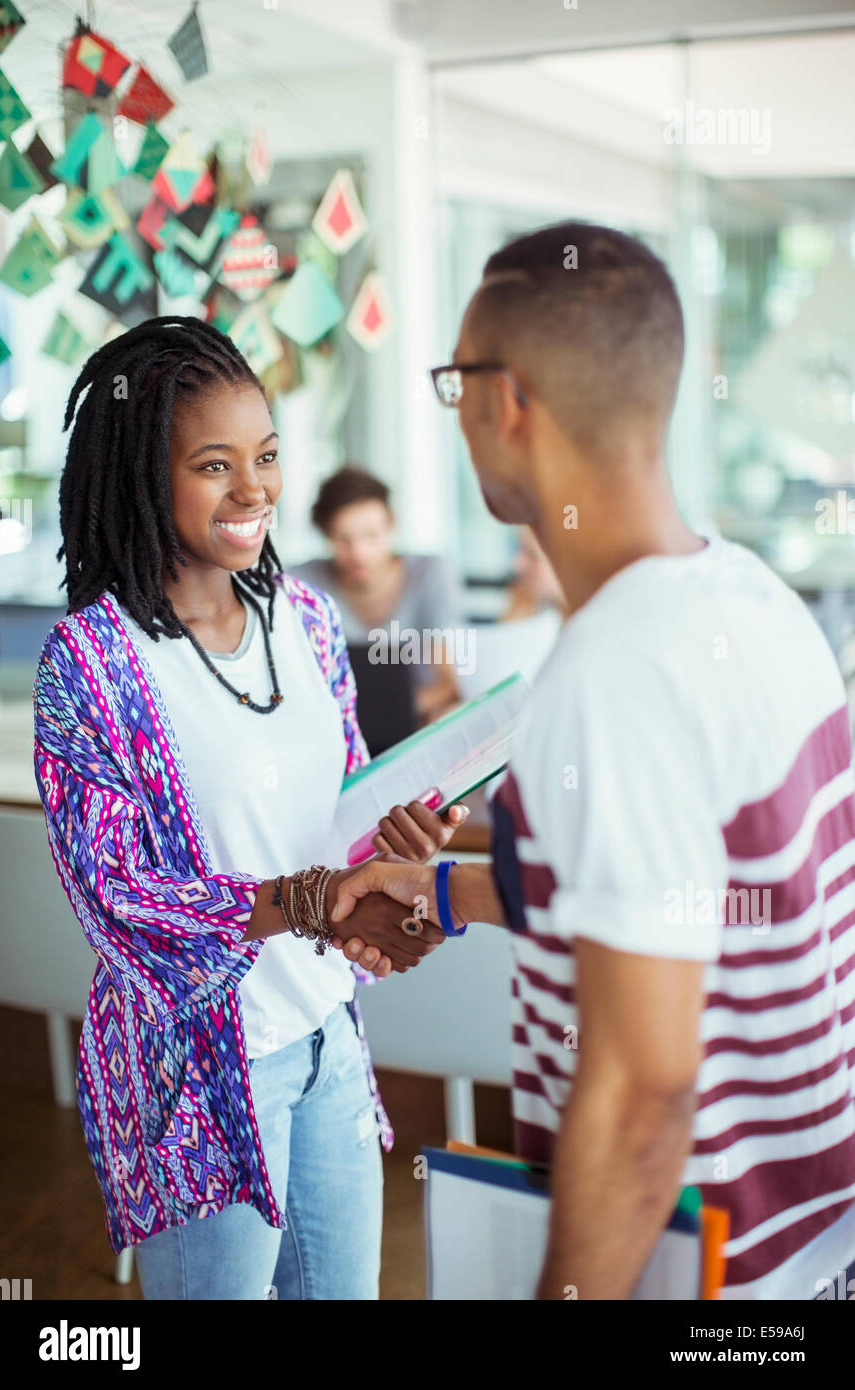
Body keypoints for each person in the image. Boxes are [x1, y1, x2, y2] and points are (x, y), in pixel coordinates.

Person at [328, 222, 855, 1301]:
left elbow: (642, 1091)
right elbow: (683, 896)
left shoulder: (608, 674)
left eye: (454, 382)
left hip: (703, 1262)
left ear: (504, 400)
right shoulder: (751, 598)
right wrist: (447, 891)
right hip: (809, 1235)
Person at [32, 317, 461, 1301]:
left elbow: (344, 797)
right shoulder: (92, 663)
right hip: (198, 1079)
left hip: (326, 1039)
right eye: (215, 465)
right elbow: (116, 896)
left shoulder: (305, 617)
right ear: (145, 474)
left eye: (265, 456)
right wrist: (309, 898)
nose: (255, 489)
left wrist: (391, 842)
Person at [294, 466, 463, 727]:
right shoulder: (302, 584)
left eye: (371, 535)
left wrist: (374, 713)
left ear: (391, 525)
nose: (359, 553)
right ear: (325, 534)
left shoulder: (430, 574)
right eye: (343, 539)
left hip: (413, 727)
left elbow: (448, 685)